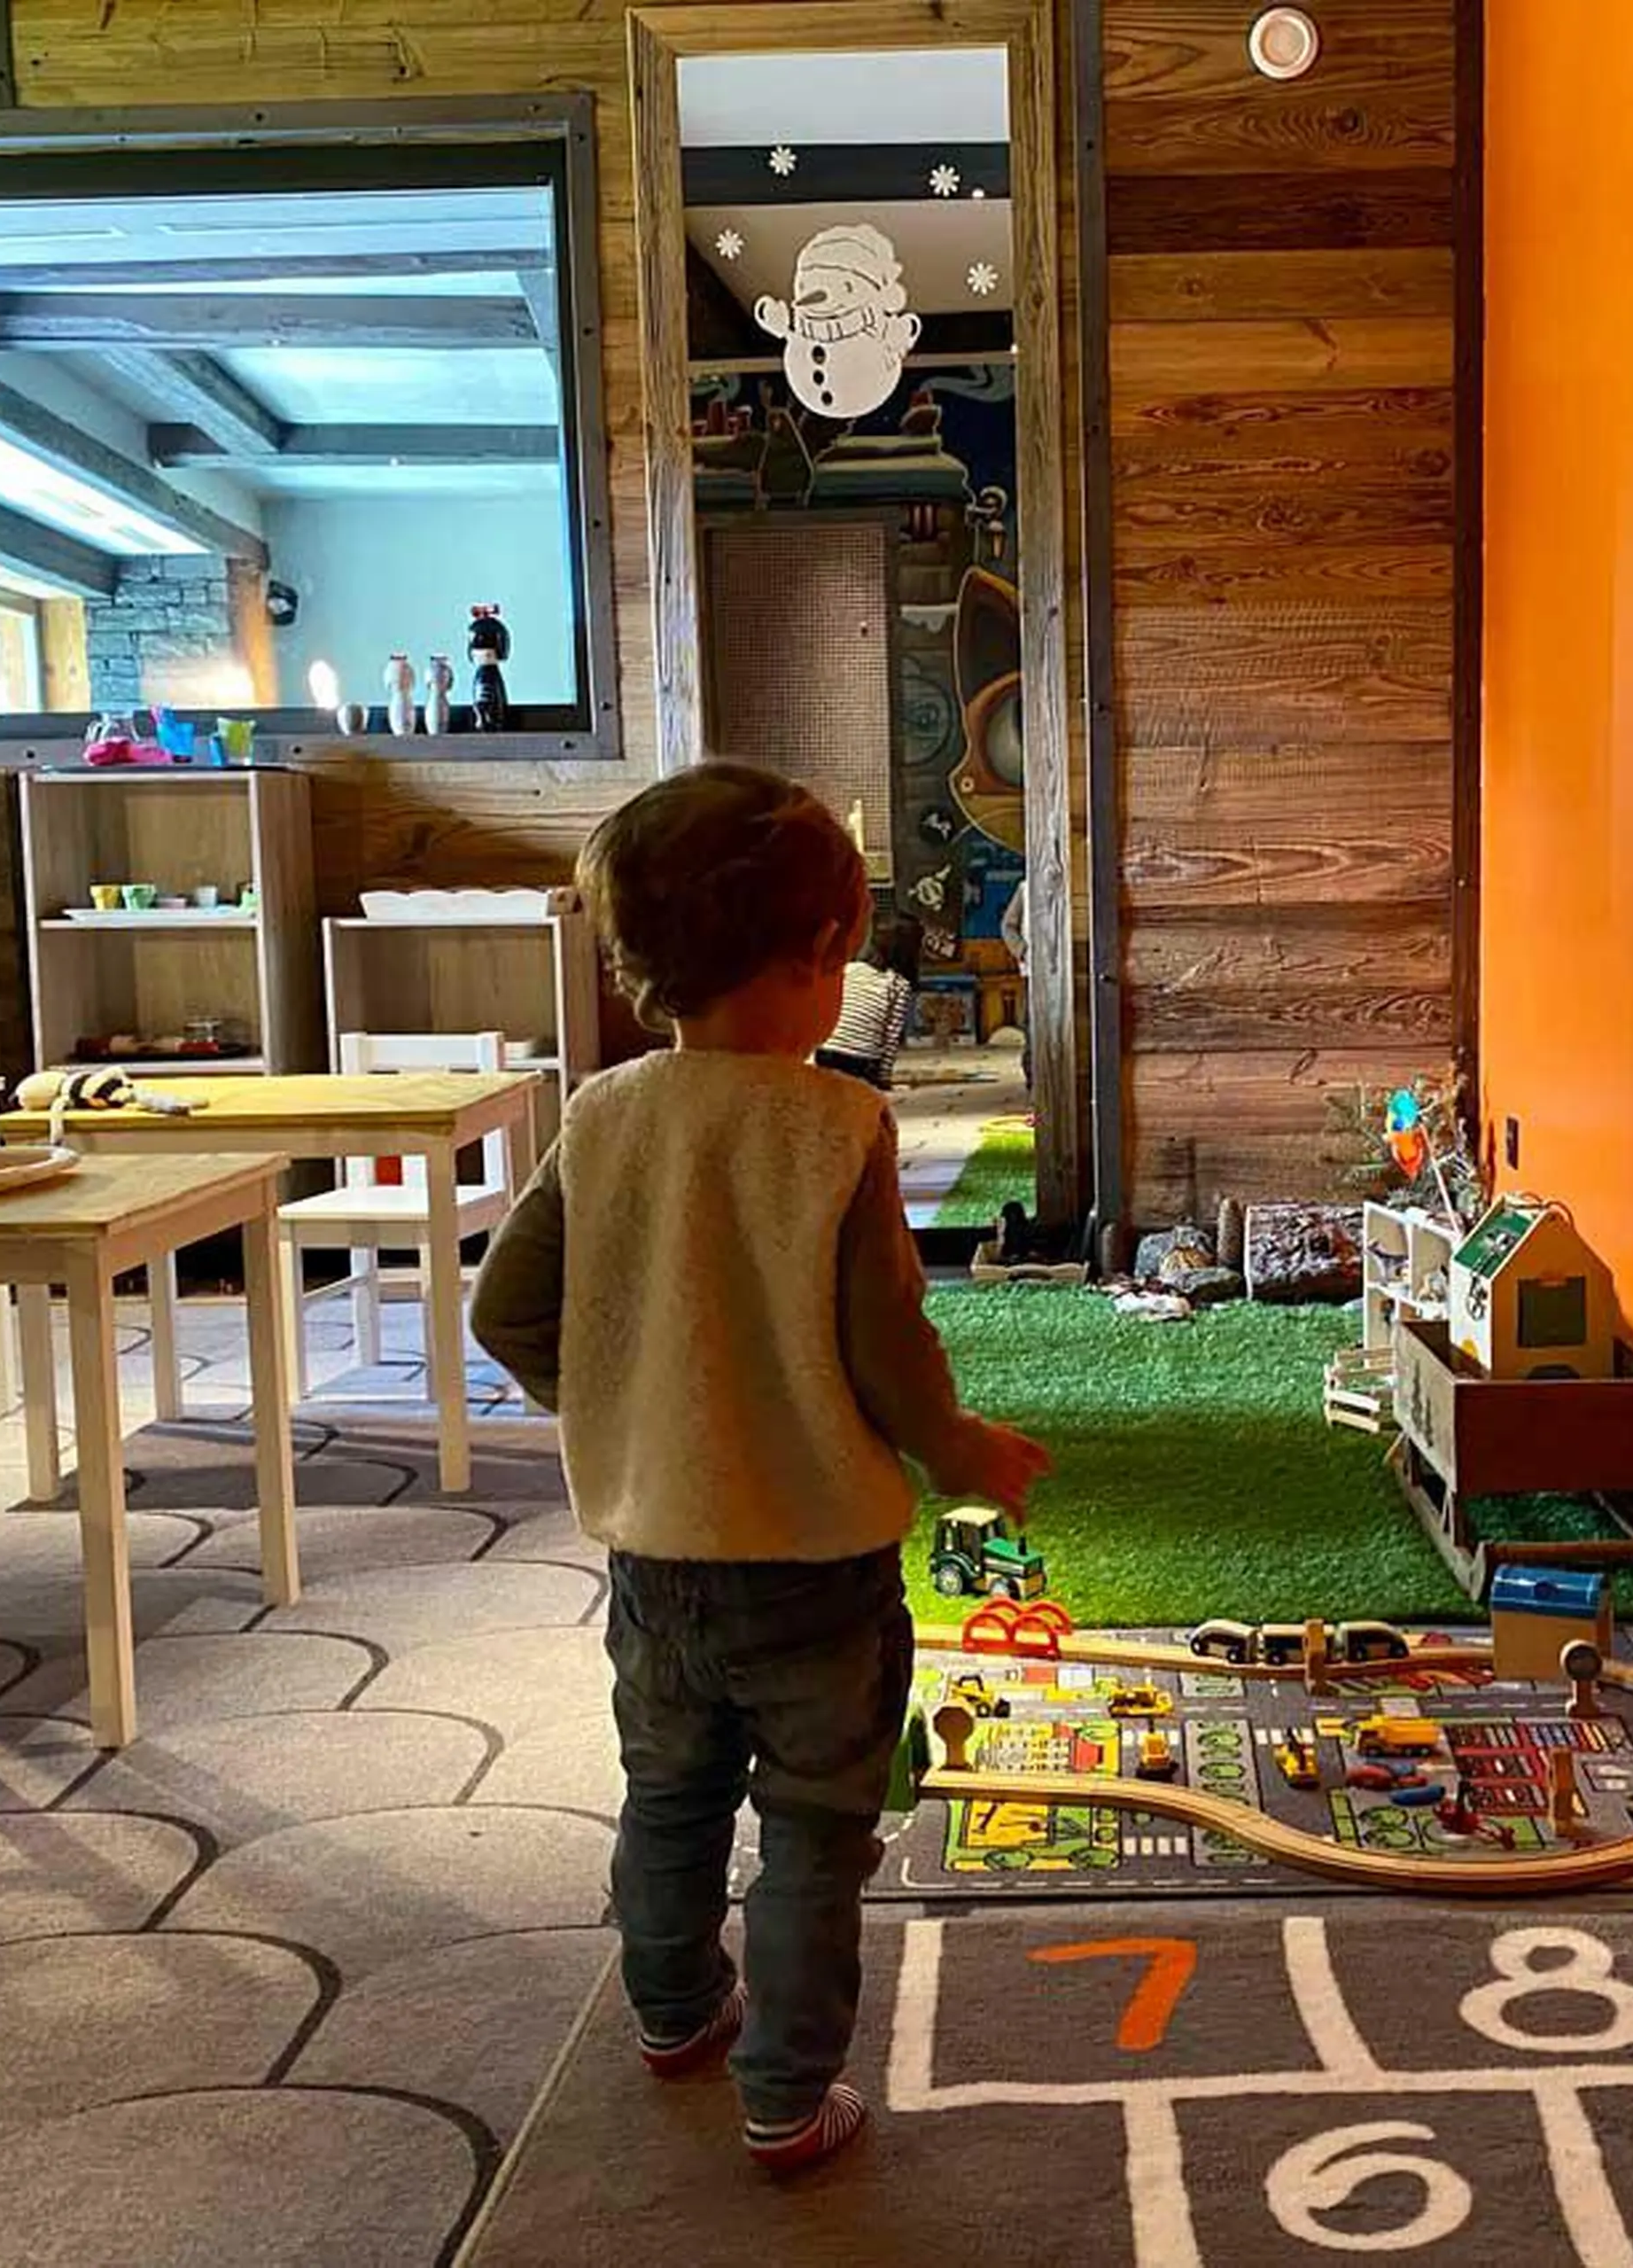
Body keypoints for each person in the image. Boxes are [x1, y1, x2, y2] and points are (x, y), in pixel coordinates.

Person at [470, 762, 1049, 2176]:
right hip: (815, 1566)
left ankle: (676, 2013)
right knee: (813, 1828)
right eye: (841, 955)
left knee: (667, 1789)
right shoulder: (836, 1125)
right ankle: (788, 2092)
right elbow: (886, 1341)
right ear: (817, 956)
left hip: (658, 1558)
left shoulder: (601, 1111)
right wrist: (960, 1447)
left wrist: (621, 1406)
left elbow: (505, 1310)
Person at [817, 910, 920, 1090]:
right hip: (861, 1062)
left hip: (825, 1055)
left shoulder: (849, 969)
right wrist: (884, 1080)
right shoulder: (898, 984)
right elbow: (891, 1037)